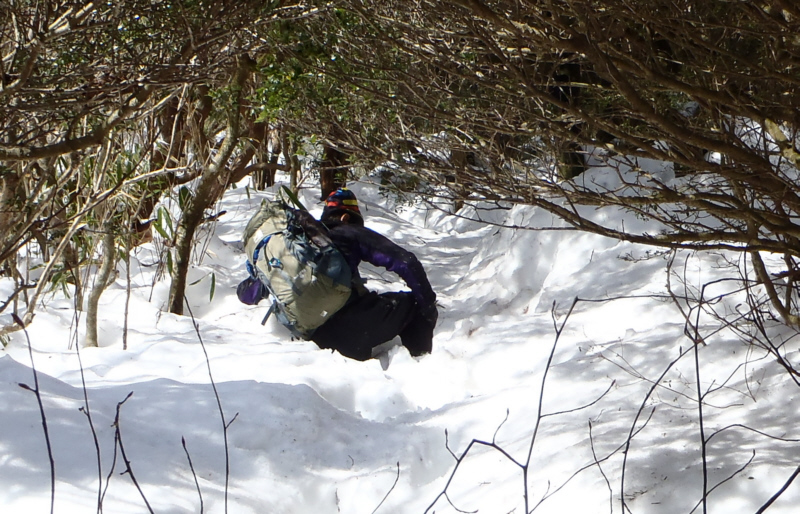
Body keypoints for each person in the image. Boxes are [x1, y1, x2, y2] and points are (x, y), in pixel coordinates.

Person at [309, 188, 438, 361]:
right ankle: (422, 363)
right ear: (345, 217)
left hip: (312, 334)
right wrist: (429, 306)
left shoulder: (305, 238)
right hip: (347, 335)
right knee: (415, 303)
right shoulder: (347, 231)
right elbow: (406, 262)